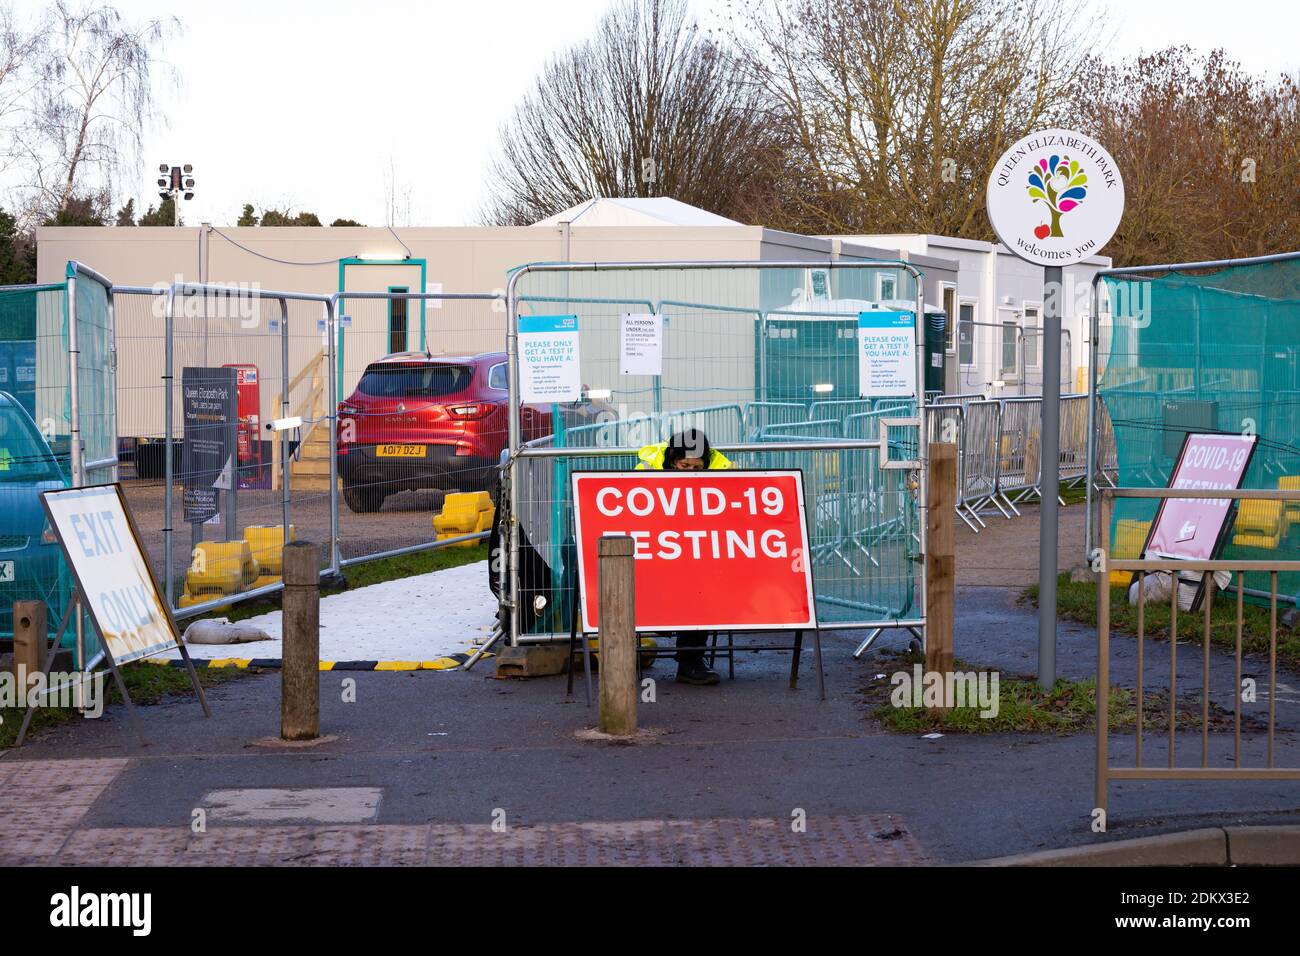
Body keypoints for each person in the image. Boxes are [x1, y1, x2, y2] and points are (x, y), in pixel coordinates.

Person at [636, 428, 732, 685]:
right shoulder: (646, 471)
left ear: (707, 463)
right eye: (684, 465)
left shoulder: (724, 474)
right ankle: (688, 660)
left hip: (696, 558)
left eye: (697, 467)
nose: (690, 472)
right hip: (654, 558)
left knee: (702, 586)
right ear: (671, 461)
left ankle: (690, 662)